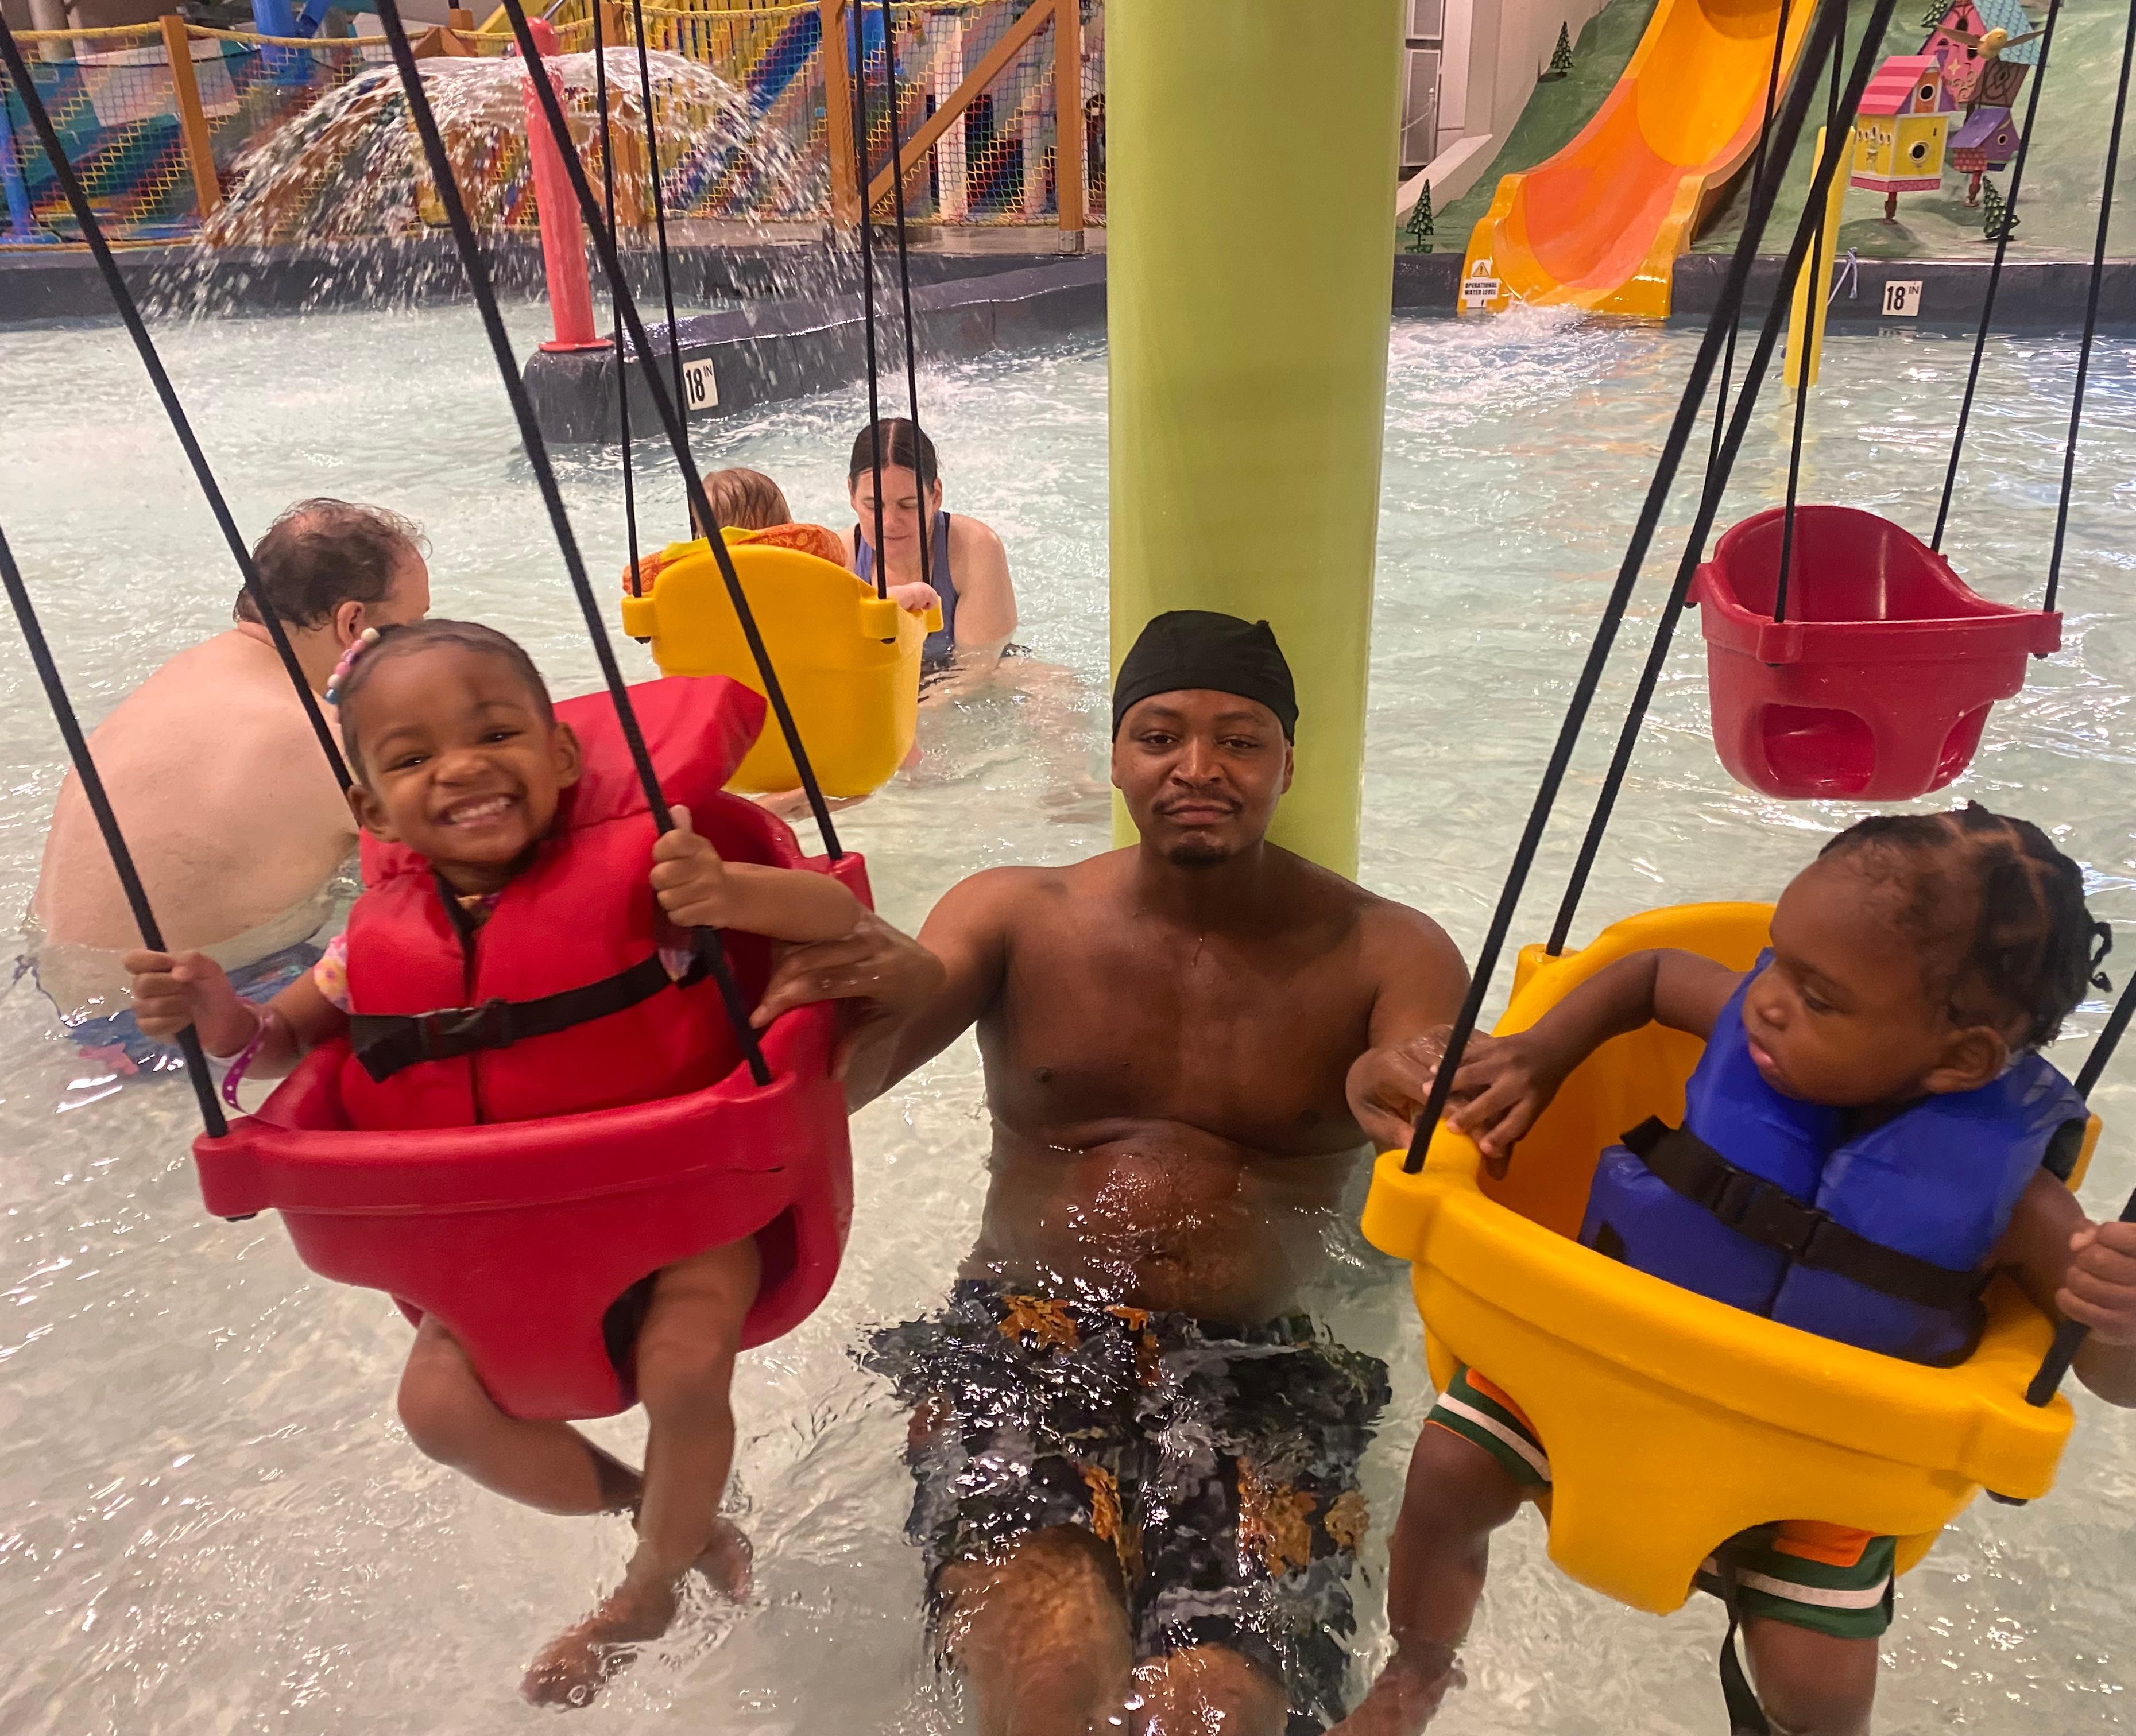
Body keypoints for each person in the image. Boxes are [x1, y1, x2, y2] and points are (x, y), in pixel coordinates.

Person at [744, 610, 1471, 1735]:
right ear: (1118, 755)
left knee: (1214, 1712)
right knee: (1047, 1678)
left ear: (1288, 763)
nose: (1198, 768)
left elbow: (1435, 1099)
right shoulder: (1014, 912)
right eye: (1160, 735)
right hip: (1023, 1337)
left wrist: (1411, 1089)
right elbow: (835, 1087)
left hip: (1259, 1367)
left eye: (1240, 741)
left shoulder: (1387, 949)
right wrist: (858, 993)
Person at [122, 620, 866, 1708]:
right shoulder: (367, 943)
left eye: (496, 734)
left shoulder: (653, 878)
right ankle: (660, 1509)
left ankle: (648, 1588)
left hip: (679, 1215)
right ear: (374, 809)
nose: (462, 766)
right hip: (501, 1238)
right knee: (437, 1411)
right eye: (413, 755)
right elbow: (276, 1042)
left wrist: (728, 894)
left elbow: (834, 911)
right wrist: (216, 1012)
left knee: (683, 1366)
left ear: (561, 756)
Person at [1340, 807, 2136, 1736]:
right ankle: (1416, 1671)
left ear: (1961, 1058)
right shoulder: (1752, 1023)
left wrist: (2129, 1316)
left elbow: (2131, 1380)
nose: (1768, 998)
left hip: (1815, 1466)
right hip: (1592, 1374)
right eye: (1776, 958)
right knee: (1448, 1472)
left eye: (1817, 996)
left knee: (1813, 1677)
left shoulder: (2016, 1202)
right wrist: (1544, 1051)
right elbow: (1649, 973)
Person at [30, 498, 431, 1071]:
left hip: (57, 995)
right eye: (413, 626)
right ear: (352, 624)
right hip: (180, 1021)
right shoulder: (328, 735)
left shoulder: (182, 675)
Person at [848, 419, 1019, 692]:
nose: (890, 523)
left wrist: (905, 712)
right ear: (852, 495)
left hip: (970, 684)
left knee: (1053, 690)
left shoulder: (975, 548)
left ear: (935, 495)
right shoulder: (842, 556)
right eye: (874, 506)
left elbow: (976, 670)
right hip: (893, 687)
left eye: (908, 505)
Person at [622, 465, 937, 612]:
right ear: (785, 527)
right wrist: (913, 592)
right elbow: (862, 608)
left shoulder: (680, 579)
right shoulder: (799, 569)